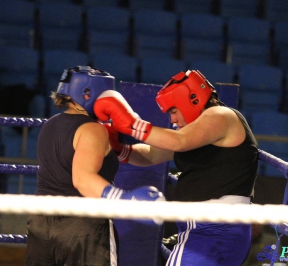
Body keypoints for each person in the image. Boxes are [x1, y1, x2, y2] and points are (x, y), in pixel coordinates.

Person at [94, 69, 259, 266]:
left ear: (193, 99)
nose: (172, 119)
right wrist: (121, 149)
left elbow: (177, 142)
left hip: (216, 229)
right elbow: (152, 154)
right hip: (207, 229)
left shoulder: (220, 116)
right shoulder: (197, 131)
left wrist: (131, 124)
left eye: (173, 111)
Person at [24, 66, 165, 266]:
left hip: (41, 221)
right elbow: (82, 180)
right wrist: (125, 200)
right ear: (88, 93)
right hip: (83, 224)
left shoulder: (50, 124)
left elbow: (146, 156)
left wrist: (122, 150)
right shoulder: (93, 130)